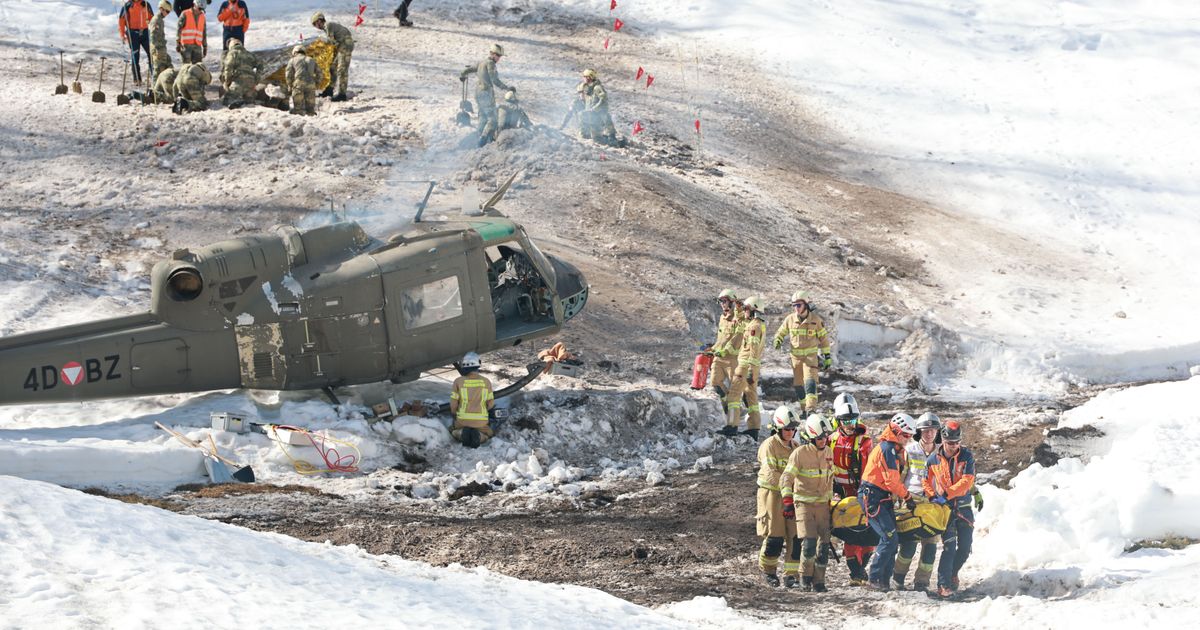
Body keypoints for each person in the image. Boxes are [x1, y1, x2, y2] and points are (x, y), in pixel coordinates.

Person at [858, 412, 917, 592]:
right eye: (906, 435)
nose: (908, 439)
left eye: (910, 436)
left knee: (894, 539)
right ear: (897, 431)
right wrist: (907, 497)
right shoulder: (887, 449)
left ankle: (884, 580)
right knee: (888, 537)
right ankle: (874, 577)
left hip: (882, 497)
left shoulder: (893, 449)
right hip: (873, 496)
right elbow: (891, 480)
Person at [780, 413, 835, 592]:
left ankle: (819, 581)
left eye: (825, 437)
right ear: (811, 437)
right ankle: (805, 578)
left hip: (823, 506)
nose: (823, 440)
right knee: (809, 543)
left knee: (824, 546)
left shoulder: (829, 452)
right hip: (804, 504)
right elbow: (787, 477)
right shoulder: (799, 454)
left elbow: (830, 478)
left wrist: (832, 499)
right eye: (819, 438)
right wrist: (787, 500)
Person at [923, 420, 976, 598]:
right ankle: (943, 584)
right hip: (945, 510)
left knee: (965, 547)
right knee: (949, 547)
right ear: (943, 440)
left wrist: (947, 494)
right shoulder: (933, 459)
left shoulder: (966, 456)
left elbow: (967, 481)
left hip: (963, 507)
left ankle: (953, 573)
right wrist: (931, 496)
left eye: (956, 443)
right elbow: (926, 480)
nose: (953, 446)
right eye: (949, 443)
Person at [893, 411, 941, 591]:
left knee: (930, 546)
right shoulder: (909, 451)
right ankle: (898, 577)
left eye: (932, 430)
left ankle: (922, 582)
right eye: (925, 430)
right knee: (908, 544)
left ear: (937, 431)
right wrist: (896, 499)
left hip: (932, 505)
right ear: (919, 432)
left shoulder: (941, 452)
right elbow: (899, 476)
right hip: (911, 501)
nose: (929, 434)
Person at [755, 406, 801, 587]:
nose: (790, 432)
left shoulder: (796, 448)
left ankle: (791, 574)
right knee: (774, 536)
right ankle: (768, 571)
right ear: (778, 429)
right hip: (771, 495)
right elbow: (770, 474)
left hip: (792, 496)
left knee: (795, 536)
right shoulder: (769, 446)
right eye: (786, 429)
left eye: (792, 429)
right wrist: (788, 489)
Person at [830, 392, 874, 585]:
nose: (850, 424)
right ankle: (856, 572)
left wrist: (865, 494)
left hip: (860, 492)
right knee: (849, 532)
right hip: (837, 493)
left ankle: (860, 570)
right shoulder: (830, 440)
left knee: (868, 534)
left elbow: (868, 471)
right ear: (838, 421)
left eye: (853, 419)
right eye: (846, 420)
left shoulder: (864, 442)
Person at [772, 291, 832, 413]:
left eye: (798, 305)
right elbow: (781, 332)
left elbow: (824, 339)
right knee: (798, 386)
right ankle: (804, 410)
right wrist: (778, 339)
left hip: (810, 358)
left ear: (806, 304)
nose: (796, 308)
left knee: (810, 383)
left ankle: (811, 409)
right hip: (796, 359)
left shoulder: (815, 320)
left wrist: (827, 356)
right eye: (794, 305)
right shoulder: (790, 319)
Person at [720, 295, 766, 439]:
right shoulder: (759, 324)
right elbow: (739, 322)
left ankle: (731, 426)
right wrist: (739, 309)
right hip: (753, 367)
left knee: (733, 395)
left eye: (747, 309)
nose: (745, 311)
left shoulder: (753, 327)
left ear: (754, 310)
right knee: (751, 398)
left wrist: (750, 369)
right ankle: (754, 428)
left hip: (745, 365)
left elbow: (752, 348)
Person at [459, 44, 512, 146]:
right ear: (492, 54)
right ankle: (482, 142)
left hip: (478, 93)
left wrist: (463, 74)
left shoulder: (481, 62)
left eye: (500, 56)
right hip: (486, 94)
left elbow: (469, 69)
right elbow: (494, 80)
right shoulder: (490, 64)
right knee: (493, 120)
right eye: (498, 55)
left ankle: (477, 139)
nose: (499, 58)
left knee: (483, 118)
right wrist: (506, 88)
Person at [708, 289, 743, 417]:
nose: (722, 304)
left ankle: (736, 413)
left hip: (731, 360)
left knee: (735, 388)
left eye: (724, 301)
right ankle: (727, 408)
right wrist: (712, 349)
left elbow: (735, 339)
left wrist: (725, 351)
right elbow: (721, 339)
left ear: (732, 302)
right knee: (715, 383)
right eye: (720, 301)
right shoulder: (722, 318)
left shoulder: (738, 318)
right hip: (719, 358)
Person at [449, 352, 495, 448]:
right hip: (481, 422)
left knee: (452, 431)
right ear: (478, 364)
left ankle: (461, 433)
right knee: (489, 434)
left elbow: (453, 404)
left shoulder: (458, 381)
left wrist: (454, 414)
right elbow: (490, 403)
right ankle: (480, 436)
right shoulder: (486, 382)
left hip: (462, 420)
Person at [312, 12, 354, 102]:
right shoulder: (327, 27)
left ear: (319, 20)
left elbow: (330, 42)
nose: (316, 26)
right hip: (340, 46)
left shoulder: (328, 25)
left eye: (315, 24)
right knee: (332, 67)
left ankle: (342, 94)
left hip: (345, 46)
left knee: (342, 70)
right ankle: (329, 90)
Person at [577, 68, 618, 145]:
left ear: (590, 77)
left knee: (598, 138)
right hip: (591, 113)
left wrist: (595, 108)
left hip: (598, 113)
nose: (584, 78)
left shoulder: (597, 87)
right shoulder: (587, 87)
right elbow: (582, 92)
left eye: (585, 76)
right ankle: (586, 134)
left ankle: (612, 139)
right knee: (582, 115)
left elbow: (603, 99)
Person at [119, 0, 154, 85]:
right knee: (135, 56)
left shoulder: (146, 4)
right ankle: (137, 79)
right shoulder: (127, 5)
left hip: (145, 32)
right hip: (132, 33)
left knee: (152, 54)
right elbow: (121, 20)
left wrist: (154, 30)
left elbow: (152, 18)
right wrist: (122, 34)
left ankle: (154, 76)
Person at [220, 39, 260, 108]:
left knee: (226, 100)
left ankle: (239, 101)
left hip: (238, 83)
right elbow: (261, 66)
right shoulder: (250, 54)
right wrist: (257, 79)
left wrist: (227, 82)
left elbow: (228, 68)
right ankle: (247, 99)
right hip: (251, 84)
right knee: (249, 100)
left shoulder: (232, 53)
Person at [285, 46, 320, 116]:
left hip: (298, 85)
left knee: (298, 109)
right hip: (311, 84)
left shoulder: (292, 60)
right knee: (310, 109)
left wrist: (289, 85)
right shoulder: (311, 60)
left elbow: (288, 75)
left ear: (295, 52)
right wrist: (316, 83)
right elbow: (320, 73)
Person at [148, 1, 173, 83]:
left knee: (169, 66)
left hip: (161, 49)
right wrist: (158, 49)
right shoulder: (156, 20)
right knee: (158, 70)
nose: (167, 14)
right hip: (158, 49)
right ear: (162, 9)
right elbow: (153, 37)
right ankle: (155, 91)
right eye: (167, 11)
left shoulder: (160, 20)